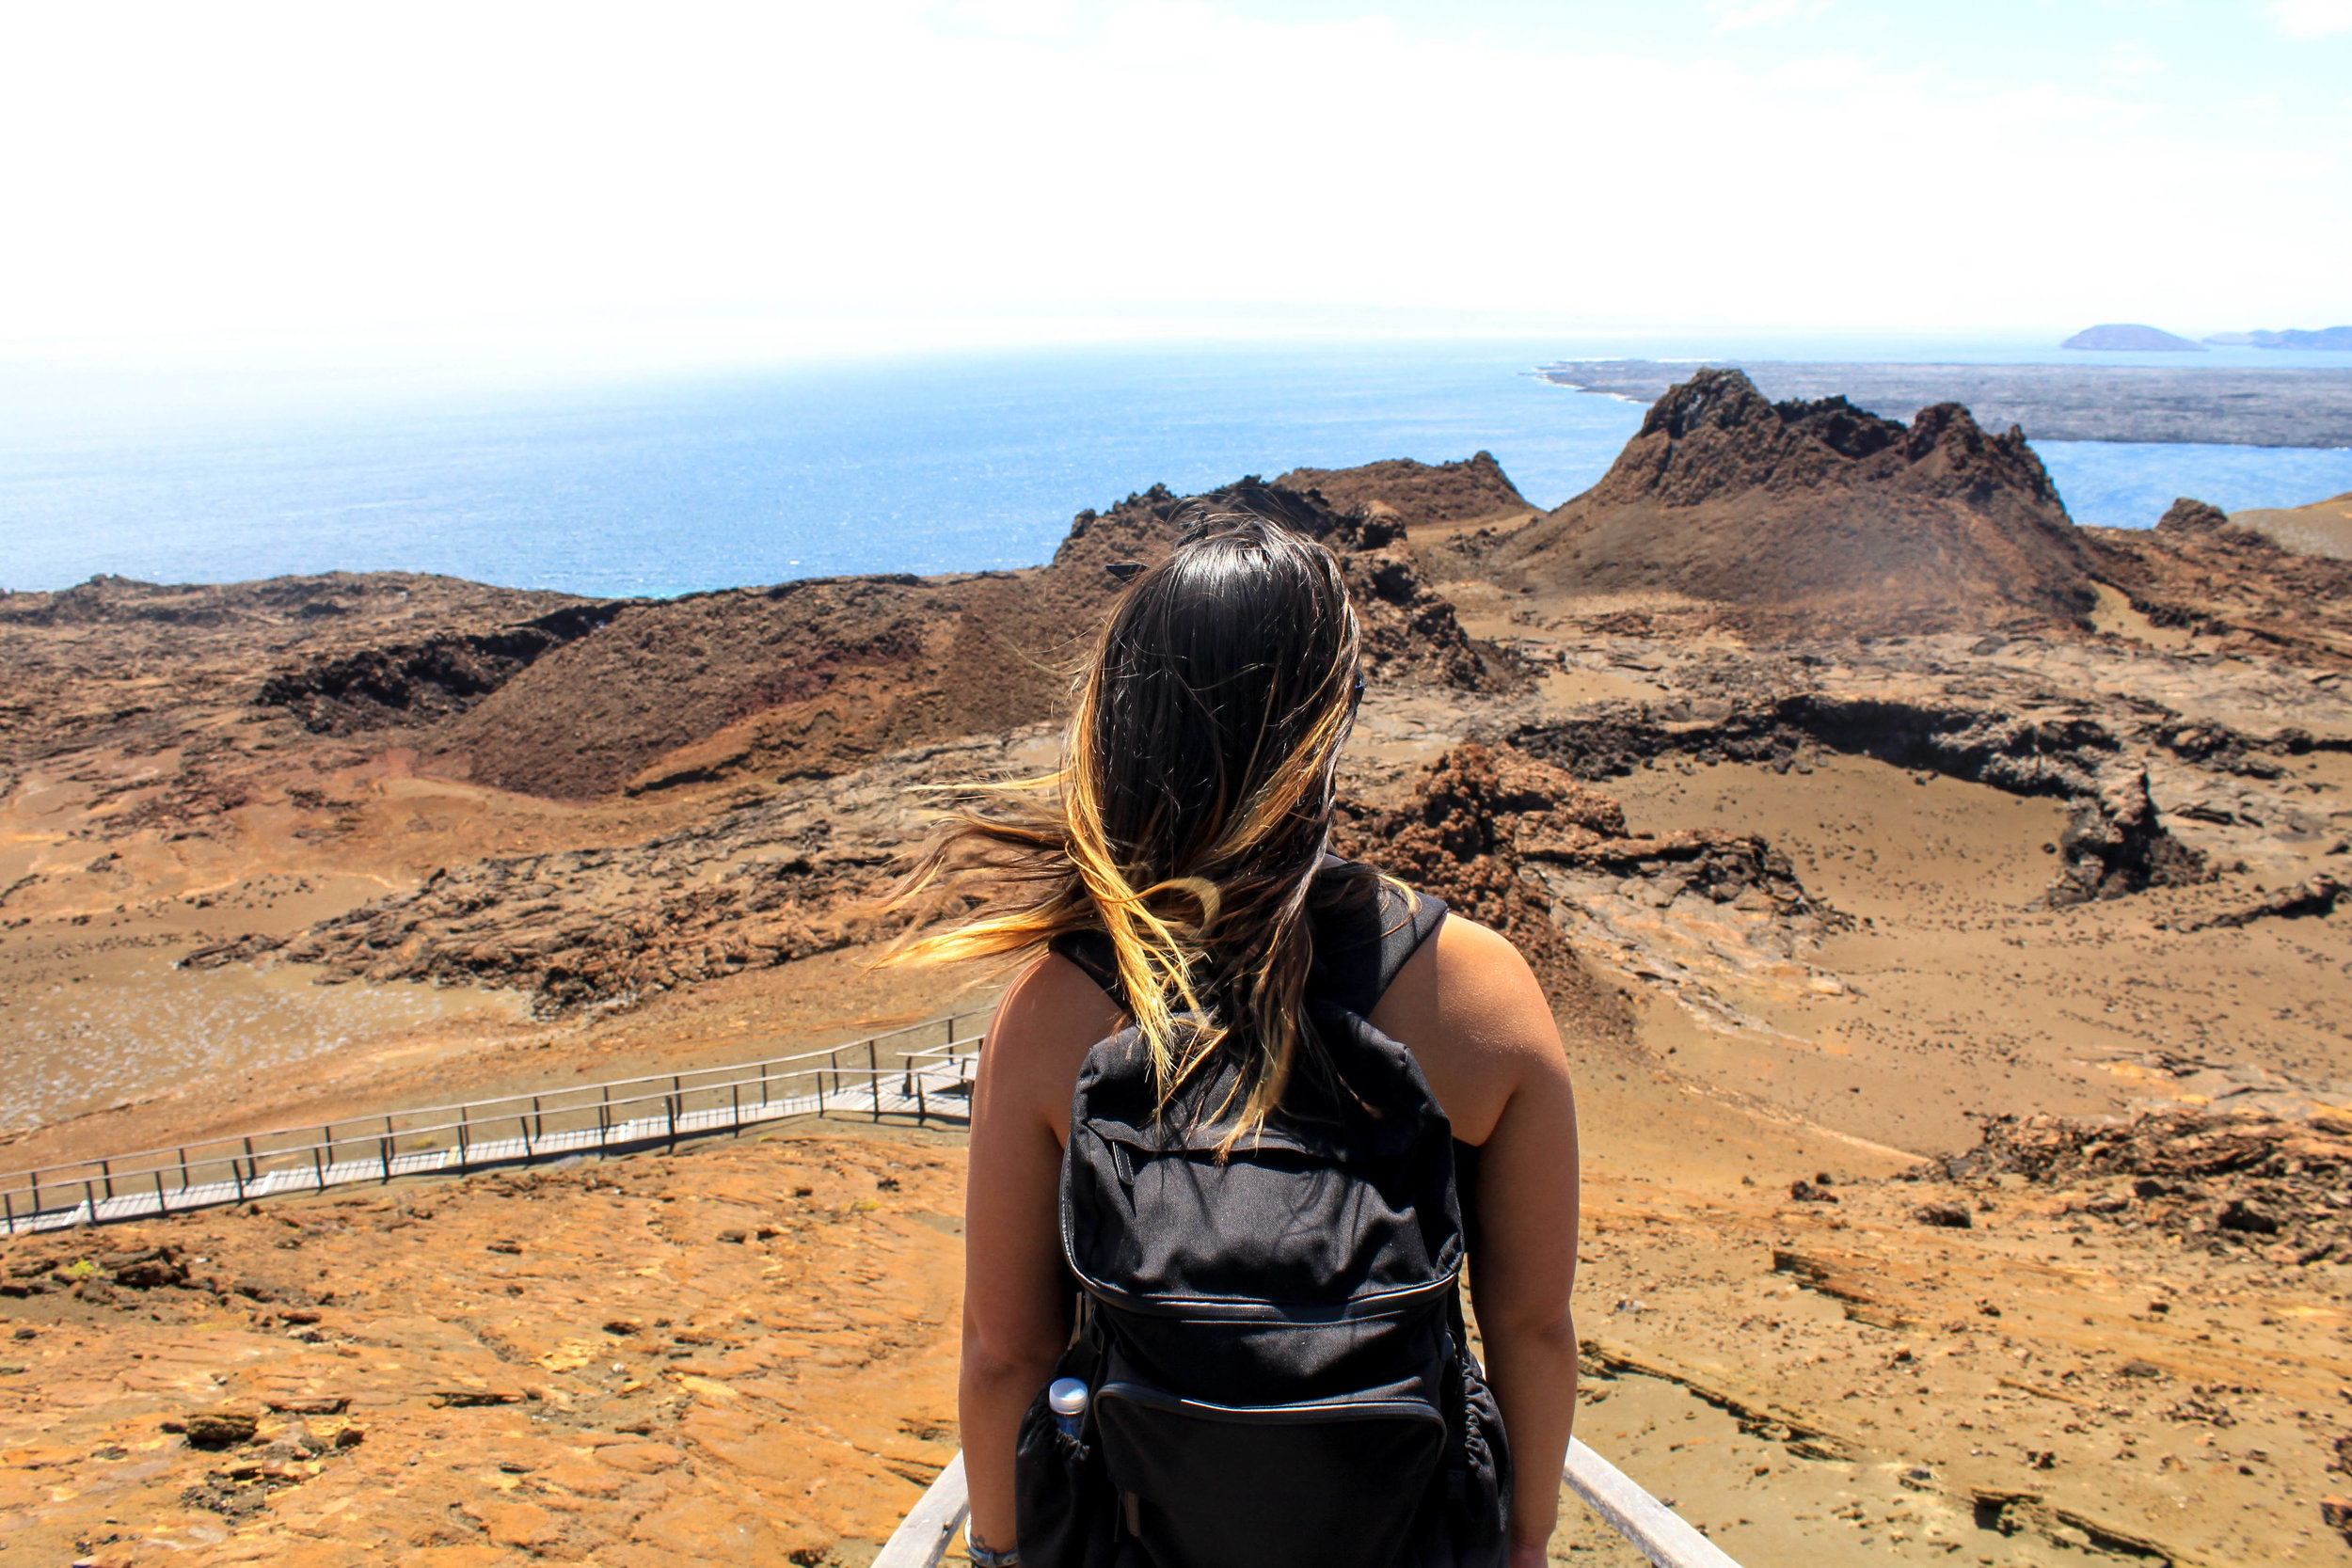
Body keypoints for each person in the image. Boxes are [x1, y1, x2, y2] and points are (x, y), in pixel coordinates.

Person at [884, 490, 1581, 1568]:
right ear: (1332, 720)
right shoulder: (1483, 995)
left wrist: (1004, 1553)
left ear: (1123, 724)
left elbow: (1002, 1347)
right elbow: (1530, 1325)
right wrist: (1523, 1544)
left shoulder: (1056, 1007)